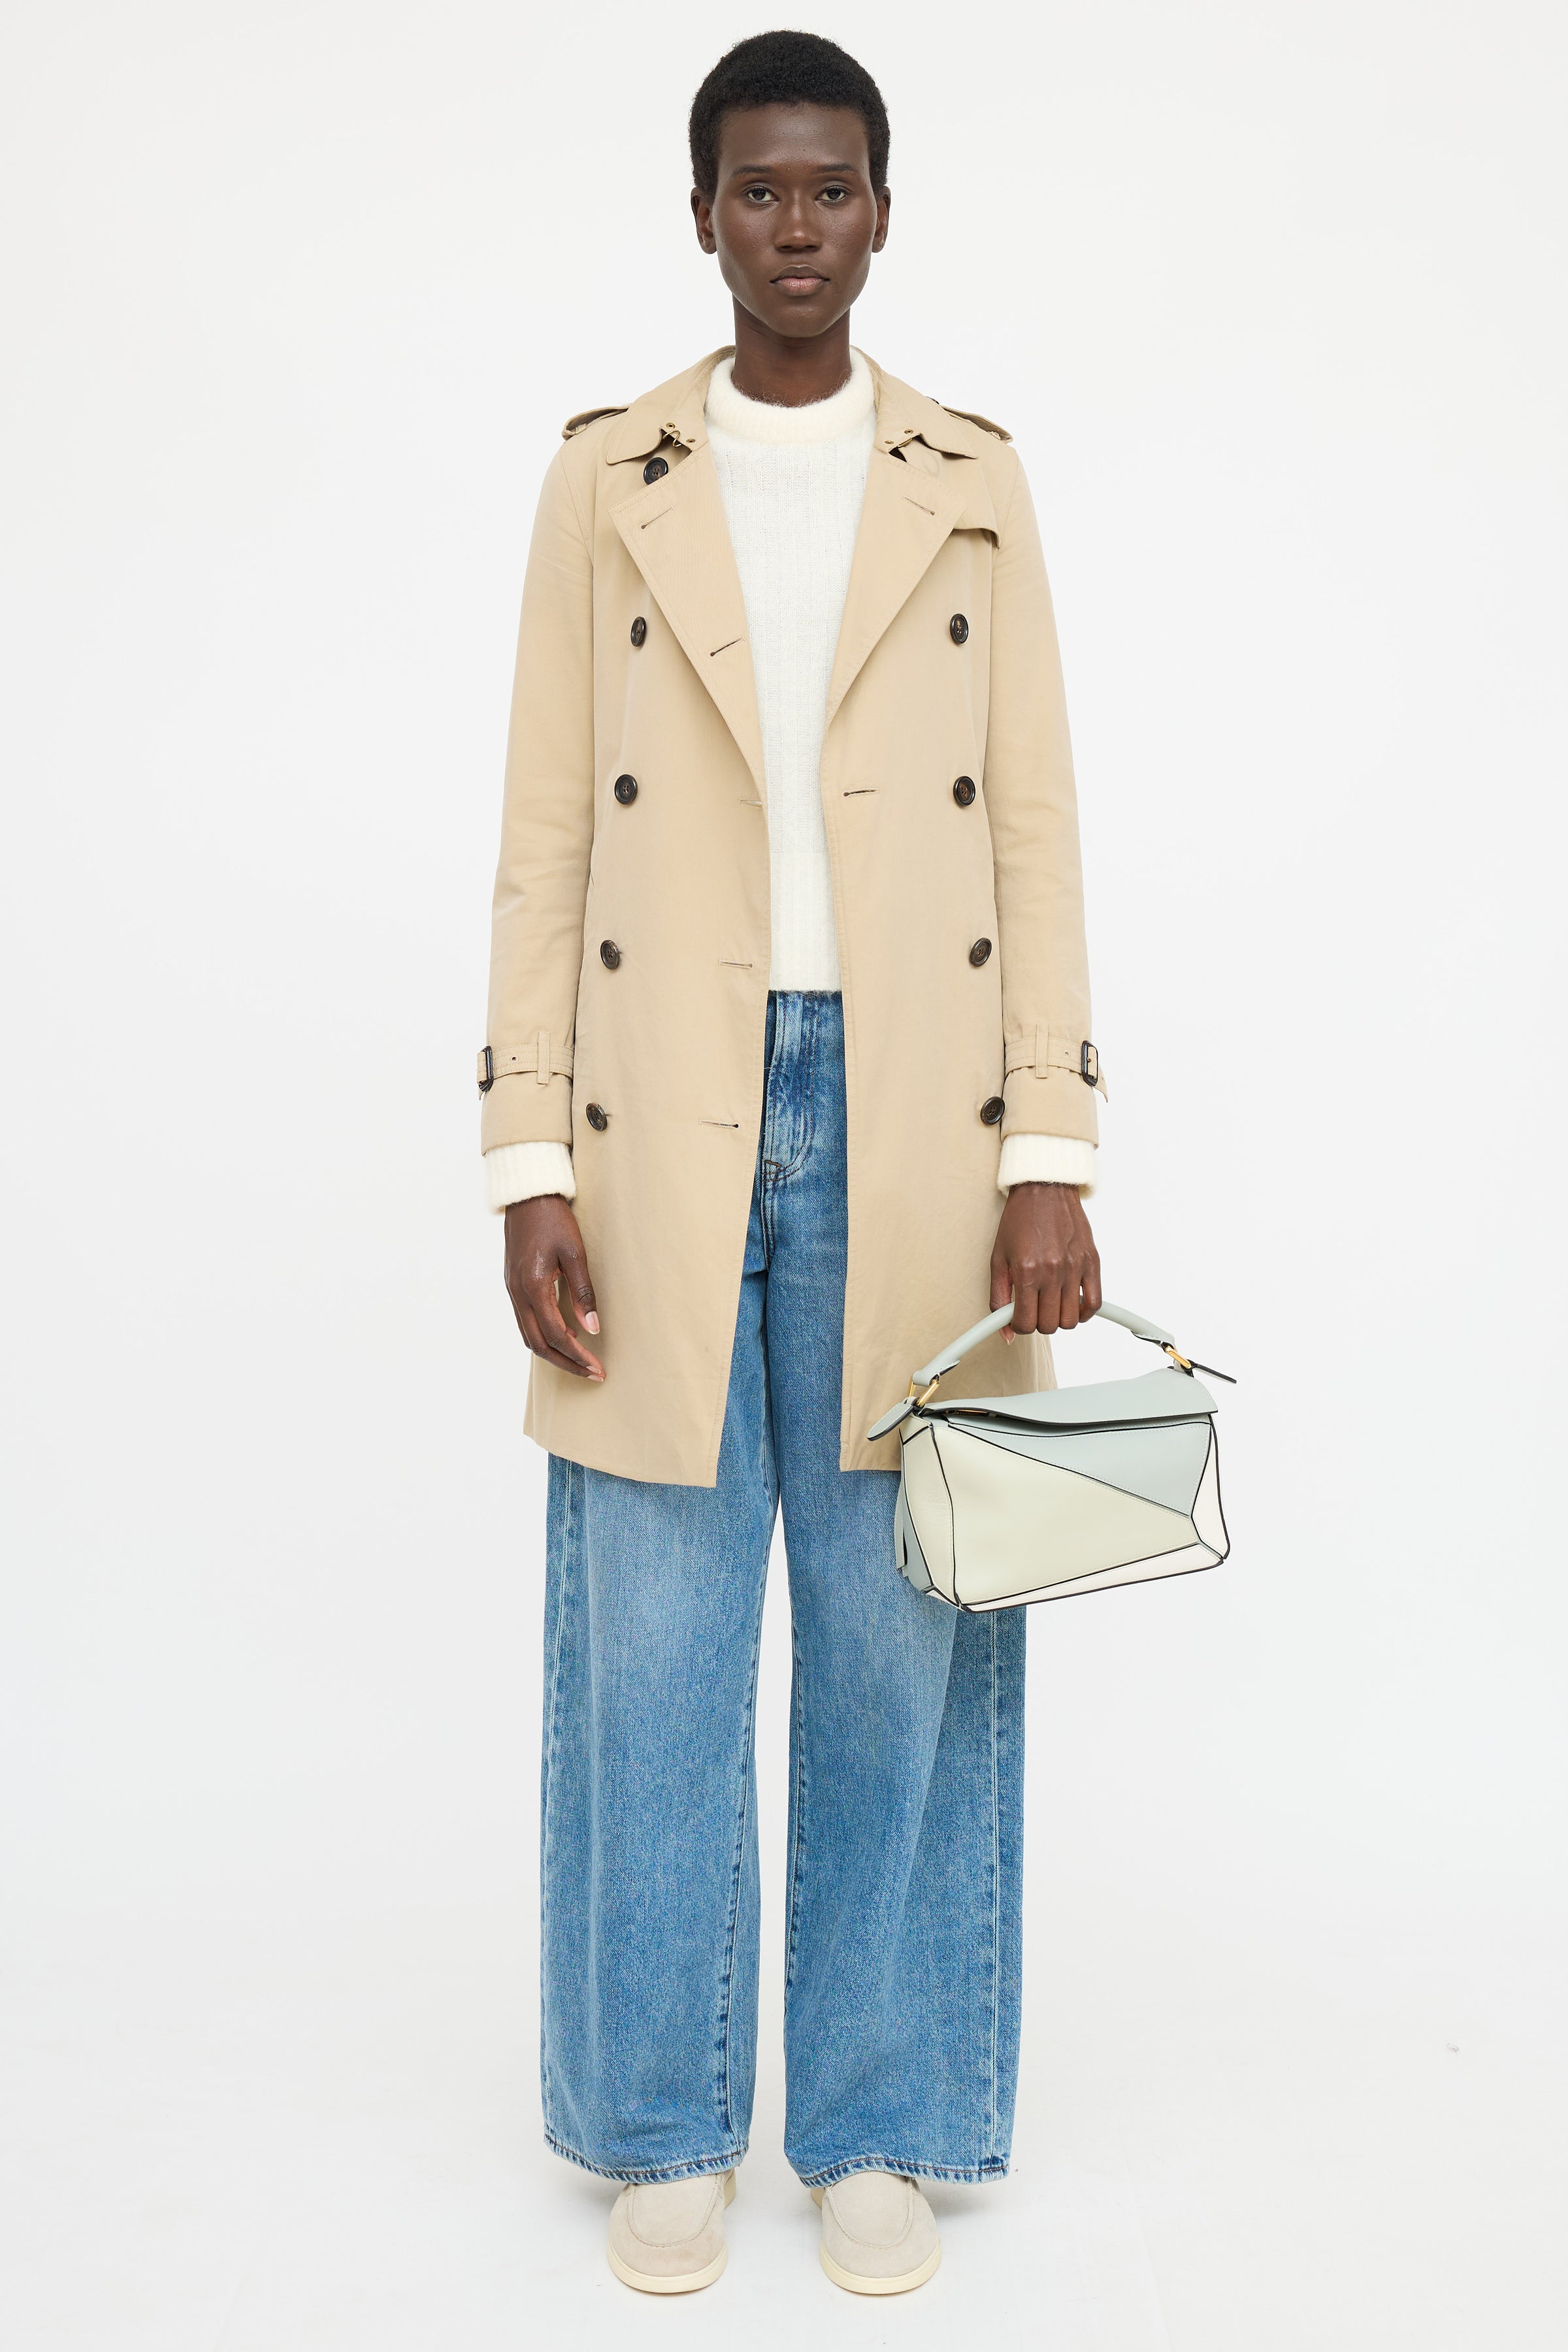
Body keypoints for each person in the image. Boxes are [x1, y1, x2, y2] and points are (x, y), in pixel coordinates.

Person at [480, 30, 1105, 2297]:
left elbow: (1031, 825)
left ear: (884, 211)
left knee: (900, 1634)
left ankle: (881, 2114)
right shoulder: (606, 480)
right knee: (649, 1640)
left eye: (832, 189)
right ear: (703, 214)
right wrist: (524, 1154)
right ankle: (657, 2118)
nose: (798, 227)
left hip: (919, 1110)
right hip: (662, 1100)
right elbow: (548, 826)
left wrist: (1052, 1139)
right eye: (760, 190)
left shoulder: (972, 480)